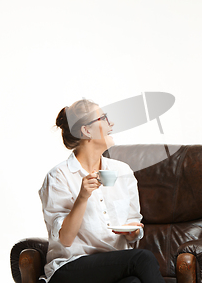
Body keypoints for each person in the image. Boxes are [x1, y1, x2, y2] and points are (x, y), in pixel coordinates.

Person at [39, 98, 165, 283]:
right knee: (142, 258)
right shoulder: (59, 176)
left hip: (114, 266)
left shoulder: (122, 171)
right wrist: (82, 197)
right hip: (71, 267)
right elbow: (65, 240)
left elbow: (133, 222)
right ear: (86, 130)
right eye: (104, 118)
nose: (111, 123)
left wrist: (132, 232)